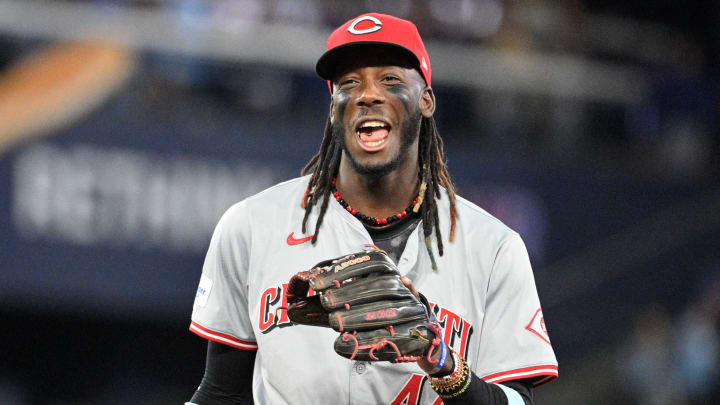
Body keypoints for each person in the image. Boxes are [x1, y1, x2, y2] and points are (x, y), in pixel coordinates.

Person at [187, 13, 558, 405]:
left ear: (426, 101)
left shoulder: (494, 248)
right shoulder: (251, 225)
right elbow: (220, 393)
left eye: (391, 80)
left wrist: (444, 363)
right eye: (349, 83)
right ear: (334, 107)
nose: (367, 94)